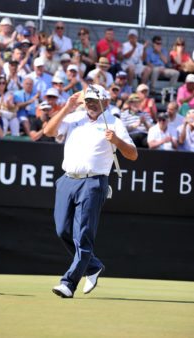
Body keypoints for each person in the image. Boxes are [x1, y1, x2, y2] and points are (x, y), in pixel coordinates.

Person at [44, 84, 138, 298]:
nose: (91, 105)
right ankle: (93, 266)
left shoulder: (115, 123)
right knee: (62, 230)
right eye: (87, 102)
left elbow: (132, 155)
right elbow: (49, 131)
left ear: (106, 102)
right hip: (67, 180)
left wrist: (116, 141)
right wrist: (67, 107)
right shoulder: (74, 117)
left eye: (95, 102)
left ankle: (69, 283)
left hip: (93, 182)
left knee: (83, 234)